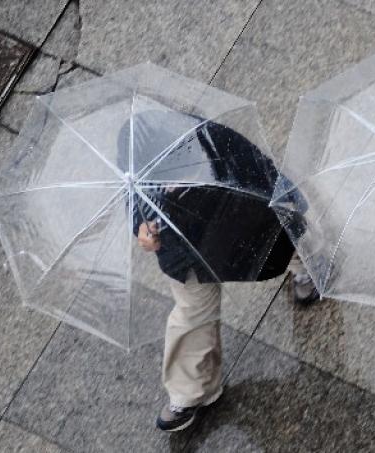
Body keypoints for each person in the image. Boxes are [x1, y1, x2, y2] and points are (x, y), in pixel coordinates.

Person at [122, 111, 298, 432]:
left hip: (233, 223)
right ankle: (190, 393)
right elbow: (131, 198)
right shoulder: (134, 145)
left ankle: (308, 265)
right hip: (182, 252)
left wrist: (289, 203)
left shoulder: (209, 140)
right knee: (191, 315)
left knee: (281, 243)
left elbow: (260, 176)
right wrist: (141, 229)